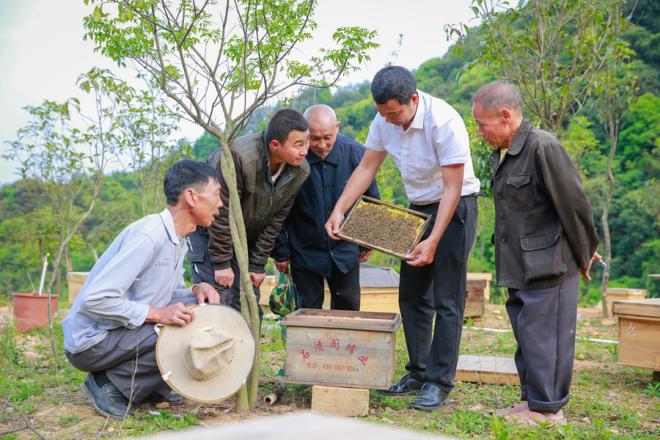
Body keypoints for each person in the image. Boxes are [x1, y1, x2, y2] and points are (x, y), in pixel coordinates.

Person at [326, 66, 480, 410]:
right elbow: (367, 168)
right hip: (418, 209)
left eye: (394, 113)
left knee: (447, 299)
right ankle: (419, 371)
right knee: (411, 293)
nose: (389, 120)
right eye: (383, 113)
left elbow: (453, 187)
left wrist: (434, 240)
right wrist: (340, 209)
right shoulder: (383, 121)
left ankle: (439, 382)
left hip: (455, 208)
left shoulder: (444, 122)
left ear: (413, 99)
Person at [471, 80, 600, 425]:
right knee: (528, 335)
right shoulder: (509, 152)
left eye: (482, 124)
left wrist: (585, 252)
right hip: (521, 265)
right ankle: (532, 402)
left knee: (548, 340)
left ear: (505, 115)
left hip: (549, 263)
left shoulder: (544, 146)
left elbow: (574, 206)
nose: (480, 132)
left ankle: (548, 409)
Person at [63, 160, 223, 419]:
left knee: (202, 308)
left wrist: (196, 289)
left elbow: (166, 293)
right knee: (175, 327)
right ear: (191, 196)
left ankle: (149, 386)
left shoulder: (177, 236)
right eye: (216, 194)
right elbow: (96, 299)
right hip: (91, 342)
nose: (221, 204)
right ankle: (108, 384)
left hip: (120, 334)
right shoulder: (150, 236)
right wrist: (159, 314)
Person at [188, 109, 310, 317]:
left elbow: (275, 221)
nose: (305, 150)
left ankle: (249, 350)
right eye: (298, 145)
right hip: (209, 234)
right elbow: (220, 211)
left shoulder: (299, 170)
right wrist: (222, 262)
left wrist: (257, 263)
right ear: (275, 145)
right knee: (219, 302)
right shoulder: (239, 157)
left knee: (250, 304)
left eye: (307, 142)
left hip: (246, 240)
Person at [272, 104, 379, 311]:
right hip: (304, 250)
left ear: (337, 128)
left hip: (346, 249)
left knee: (348, 308)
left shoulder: (357, 155)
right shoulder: (292, 160)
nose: (322, 145)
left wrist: (366, 243)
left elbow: (371, 200)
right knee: (308, 310)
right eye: (314, 138)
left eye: (328, 137)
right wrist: (281, 250)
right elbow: (278, 209)